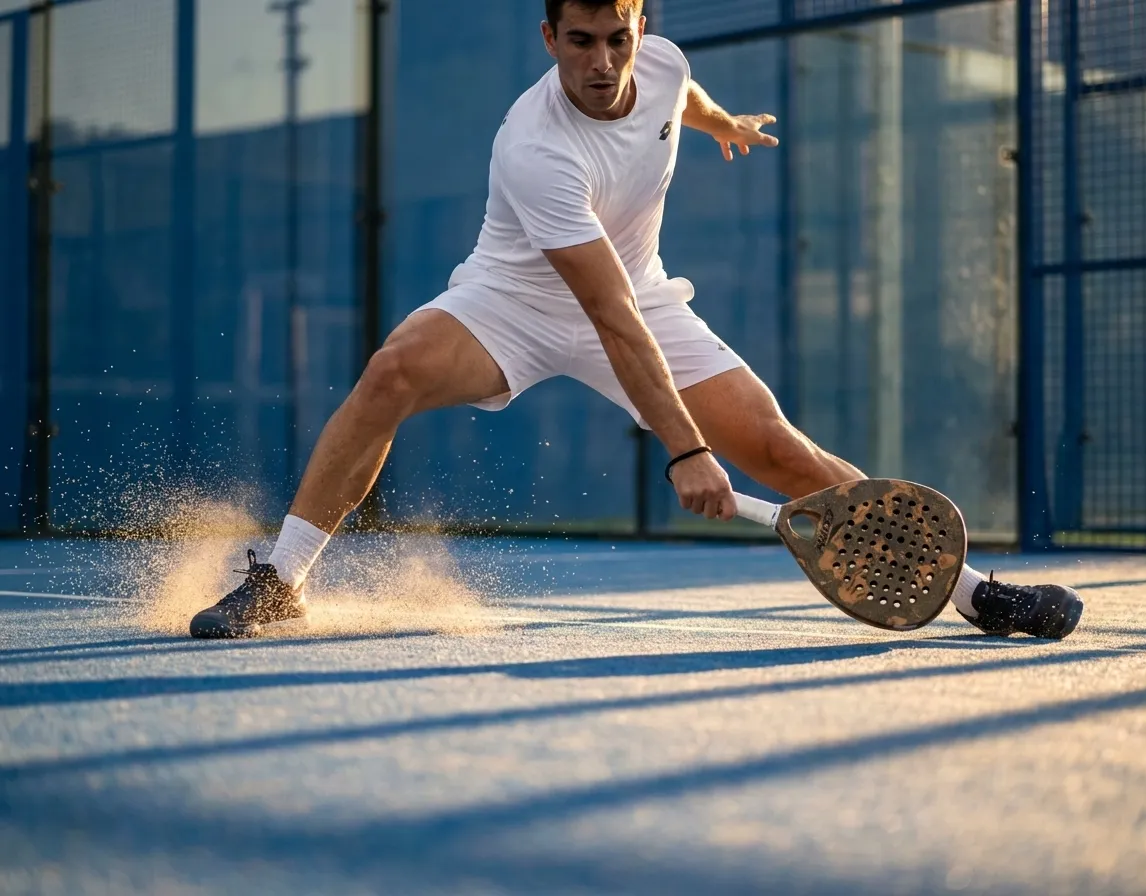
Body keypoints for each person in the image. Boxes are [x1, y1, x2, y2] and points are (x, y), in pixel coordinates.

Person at [189, 0, 1084, 640]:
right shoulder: (535, 147)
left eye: (618, 37)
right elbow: (606, 317)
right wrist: (687, 450)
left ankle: (972, 593)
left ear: (641, 26)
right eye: (579, 42)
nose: (602, 62)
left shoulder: (660, 64)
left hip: (641, 294)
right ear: (549, 38)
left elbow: (671, 100)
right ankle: (282, 579)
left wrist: (718, 120)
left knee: (782, 450)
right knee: (389, 373)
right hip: (515, 302)